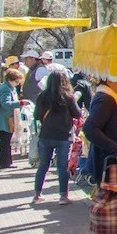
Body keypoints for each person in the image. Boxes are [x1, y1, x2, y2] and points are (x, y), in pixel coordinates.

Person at [31, 71, 82, 205]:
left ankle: (37, 194)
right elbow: (77, 114)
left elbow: (36, 116)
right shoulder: (68, 97)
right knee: (62, 166)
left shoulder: (42, 96)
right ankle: (63, 196)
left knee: (43, 166)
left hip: (46, 135)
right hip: (63, 136)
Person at [0, 67, 22, 170]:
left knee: (6, 141)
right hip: (3, 119)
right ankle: (5, 163)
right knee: (5, 141)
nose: (17, 84)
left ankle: (7, 162)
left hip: (5, 118)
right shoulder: (5, 89)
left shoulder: (9, 88)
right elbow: (6, 104)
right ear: (11, 80)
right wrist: (19, 103)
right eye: (16, 81)